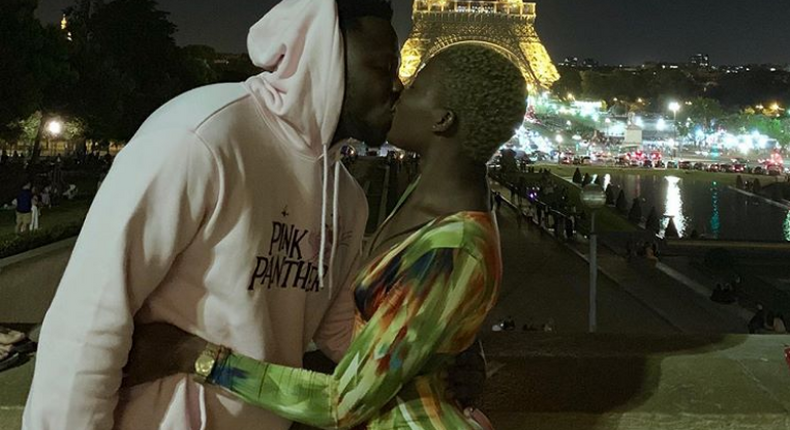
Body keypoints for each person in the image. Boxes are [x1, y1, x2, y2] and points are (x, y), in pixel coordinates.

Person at [23, 1, 403, 429]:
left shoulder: (347, 199)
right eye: (385, 66)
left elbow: (340, 332)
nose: (397, 86)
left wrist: (434, 356)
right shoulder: (202, 137)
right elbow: (90, 317)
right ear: (326, 52)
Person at [125, 44, 527, 429]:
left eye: (417, 85)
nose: (399, 89)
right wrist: (448, 342)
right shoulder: (432, 200)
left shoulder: (451, 250)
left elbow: (341, 402)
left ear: (443, 120)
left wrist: (192, 355)